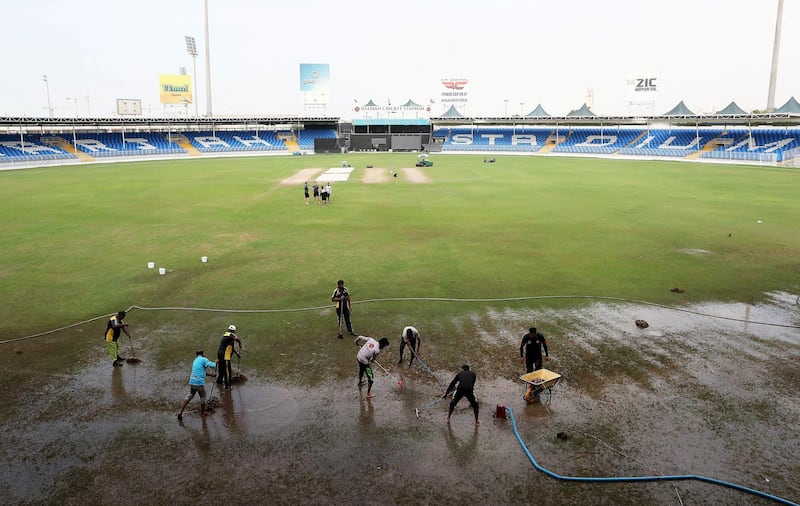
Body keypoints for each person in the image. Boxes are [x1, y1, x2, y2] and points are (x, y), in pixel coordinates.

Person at [177, 350, 218, 419]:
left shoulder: (195, 361)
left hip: (192, 382)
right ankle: (202, 413)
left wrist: (211, 375)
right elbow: (213, 366)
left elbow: (201, 371)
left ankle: (180, 411)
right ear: (202, 354)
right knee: (203, 397)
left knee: (190, 396)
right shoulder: (203, 359)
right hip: (199, 383)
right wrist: (216, 362)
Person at [216, 325, 242, 390]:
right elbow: (237, 338)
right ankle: (228, 386)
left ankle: (219, 382)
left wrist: (237, 354)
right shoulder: (229, 334)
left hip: (220, 354)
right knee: (227, 371)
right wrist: (240, 343)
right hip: (225, 356)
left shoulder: (227, 336)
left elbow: (231, 348)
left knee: (221, 369)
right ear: (233, 331)